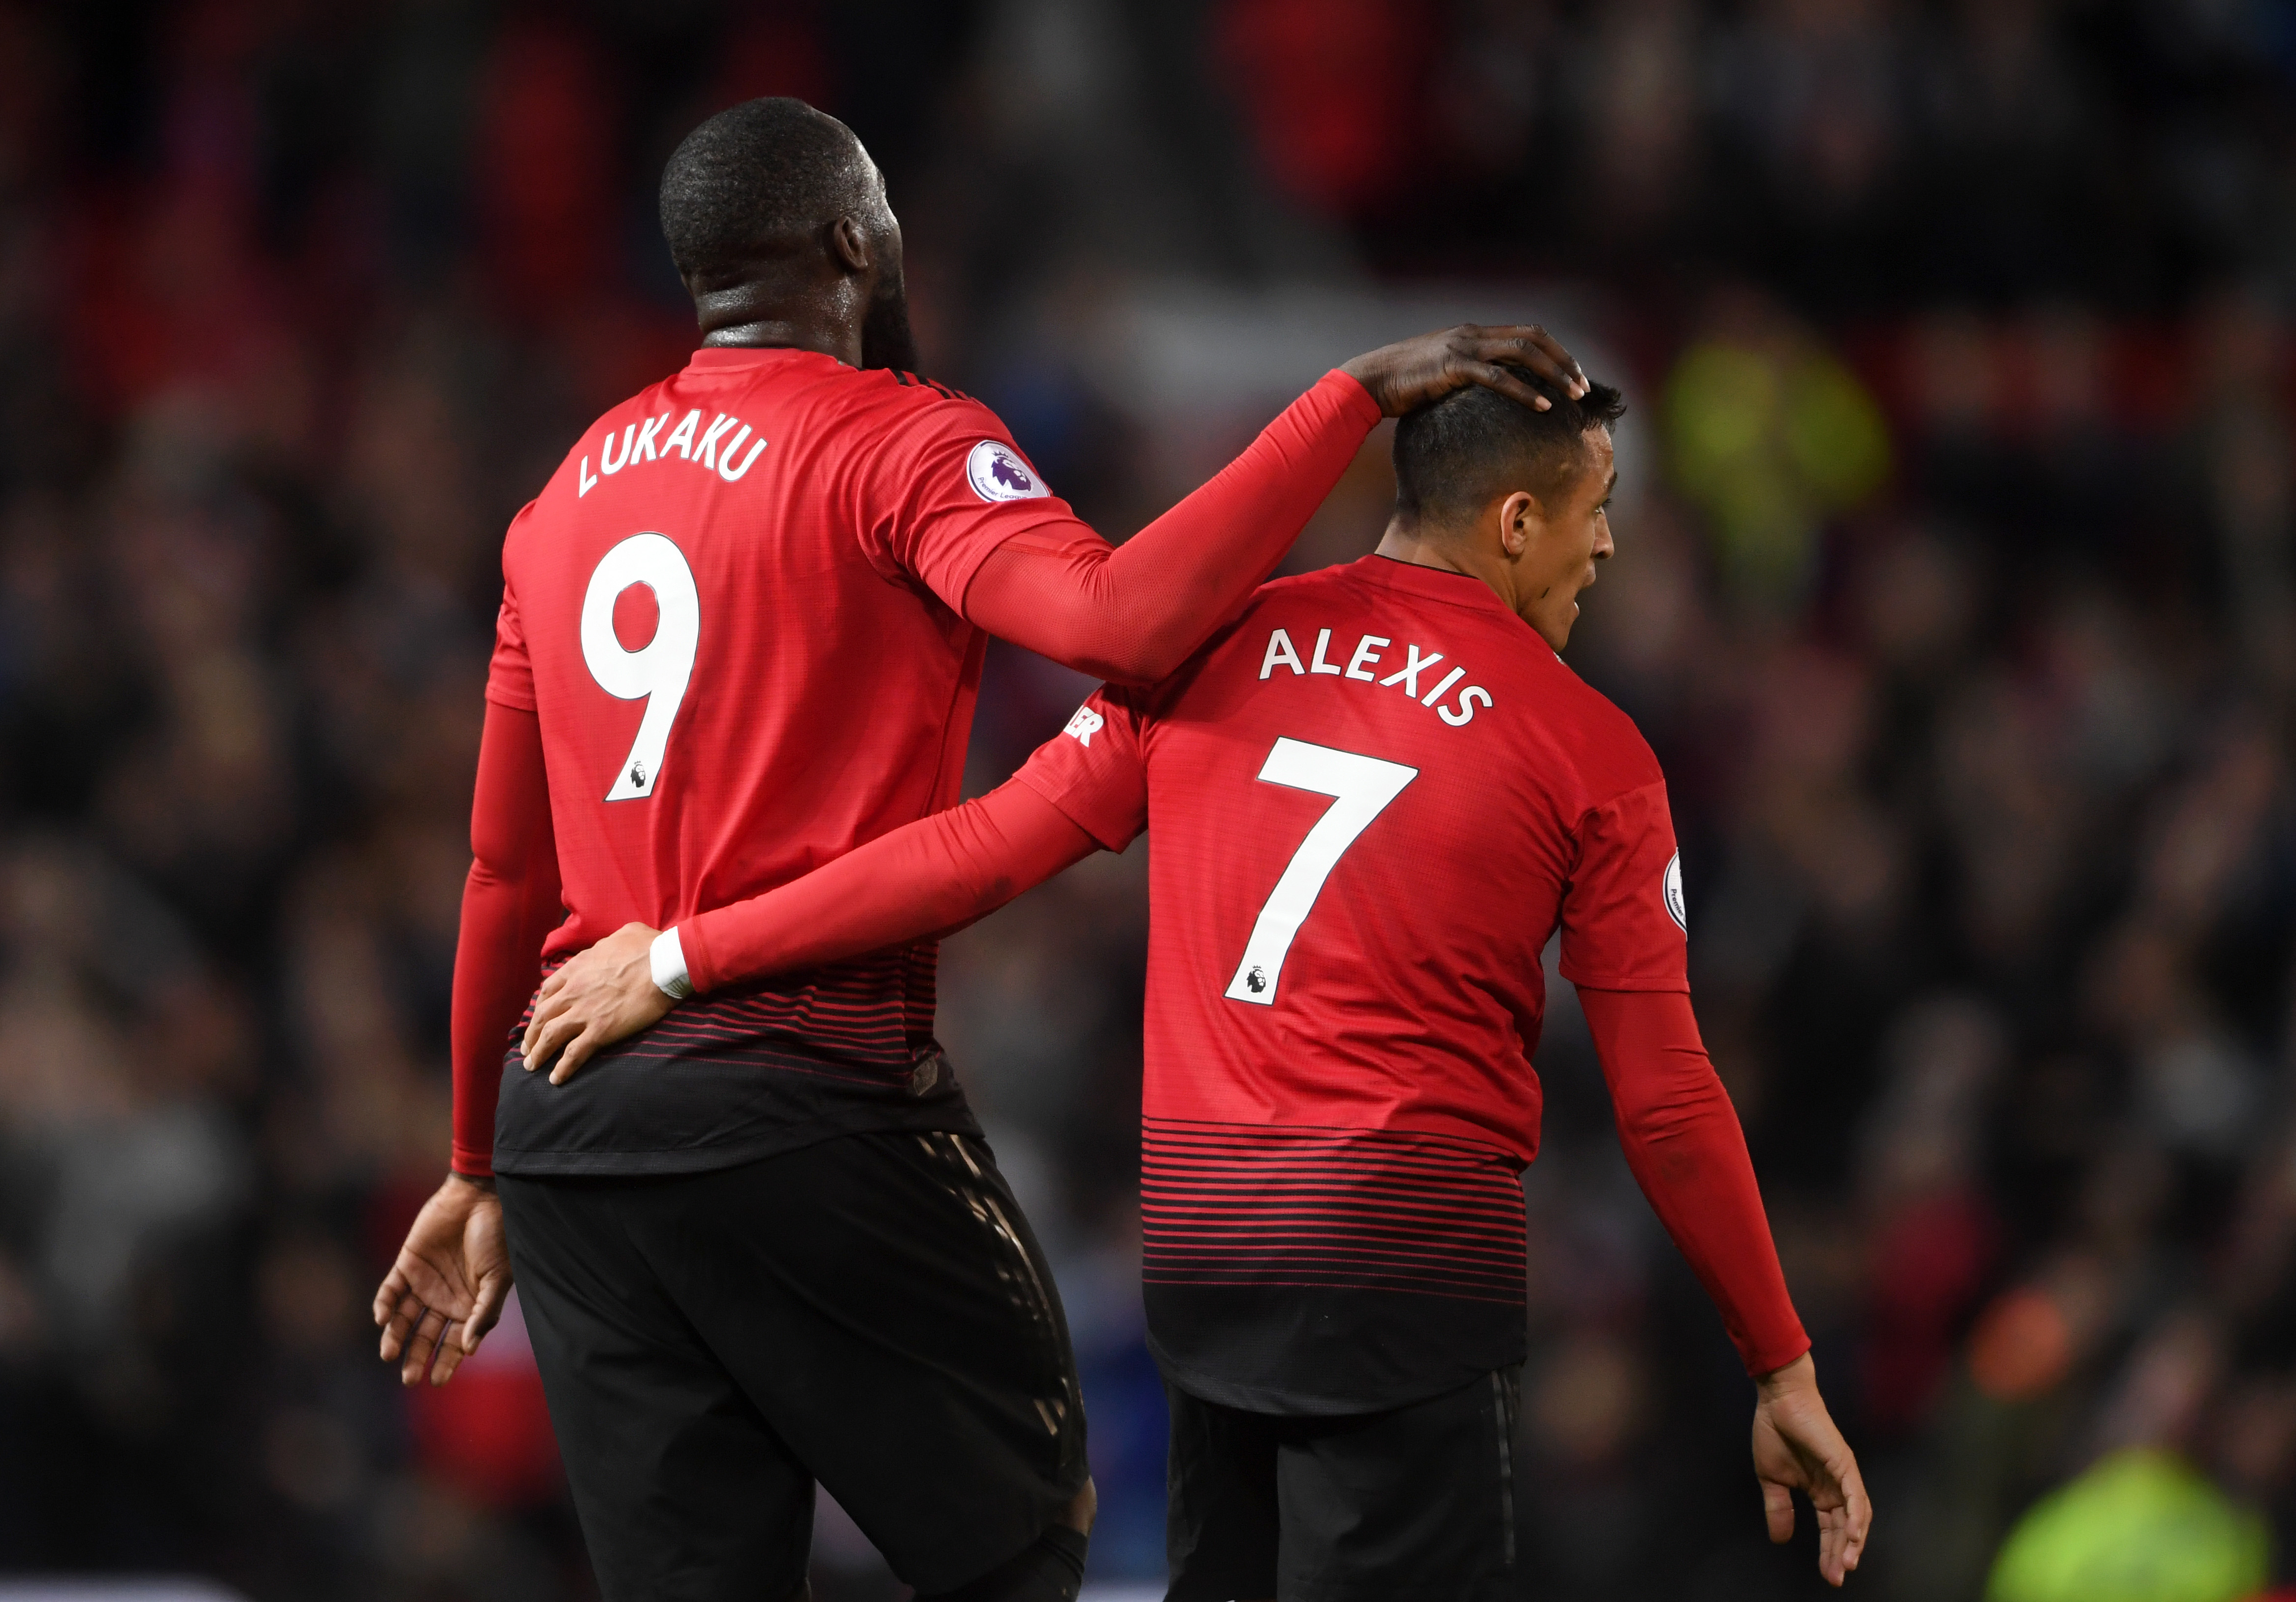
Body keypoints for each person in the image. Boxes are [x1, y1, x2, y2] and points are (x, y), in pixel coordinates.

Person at [368, 94, 1586, 1602]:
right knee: (1020, 1531)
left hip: (570, 1134)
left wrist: (473, 1164)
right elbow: (1123, 624)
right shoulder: (902, 445)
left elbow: (503, 874)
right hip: (808, 1101)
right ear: (850, 245)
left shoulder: (562, 498)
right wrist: (1342, 396)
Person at [526, 373, 1876, 1596]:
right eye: (1597, 510)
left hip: (1210, 1256)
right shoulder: (1594, 751)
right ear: (1515, 519)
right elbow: (1667, 1097)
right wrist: (1780, 1359)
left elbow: (976, 850)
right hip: (1405, 1270)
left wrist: (682, 953)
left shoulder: (1218, 645)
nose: (1610, 547)